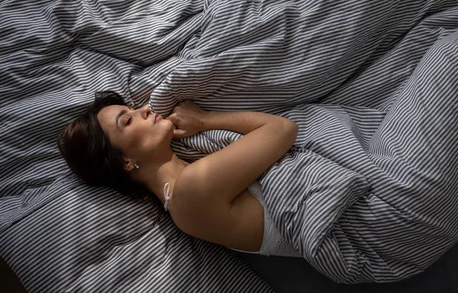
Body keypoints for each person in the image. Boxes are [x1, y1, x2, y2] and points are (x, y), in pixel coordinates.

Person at [57, 91, 301, 257]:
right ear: (125, 162)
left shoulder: (191, 176)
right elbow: (283, 129)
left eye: (132, 108)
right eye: (127, 121)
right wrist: (204, 120)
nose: (144, 109)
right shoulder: (190, 190)